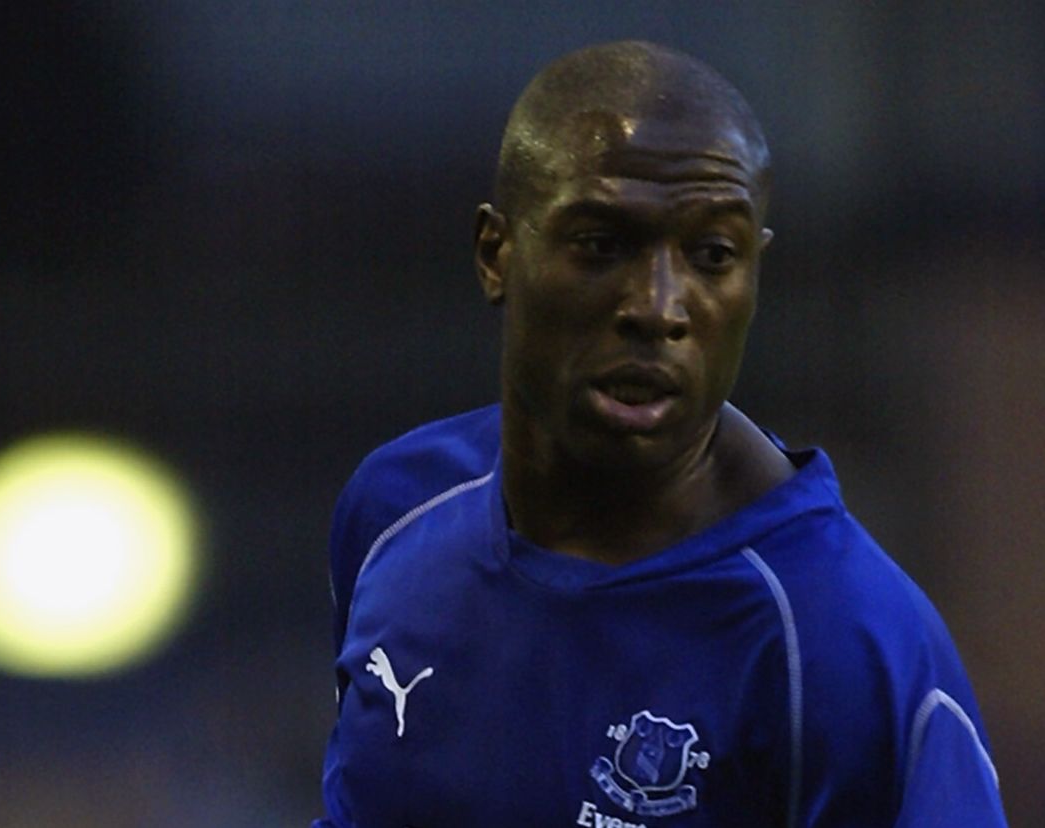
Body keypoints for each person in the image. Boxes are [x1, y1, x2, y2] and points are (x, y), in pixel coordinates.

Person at [312, 40, 1006, 827]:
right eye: (603, 245)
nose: (659, 307)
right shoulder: (396, 509)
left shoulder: (842, 645)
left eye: (713, 255)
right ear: (496, 253)